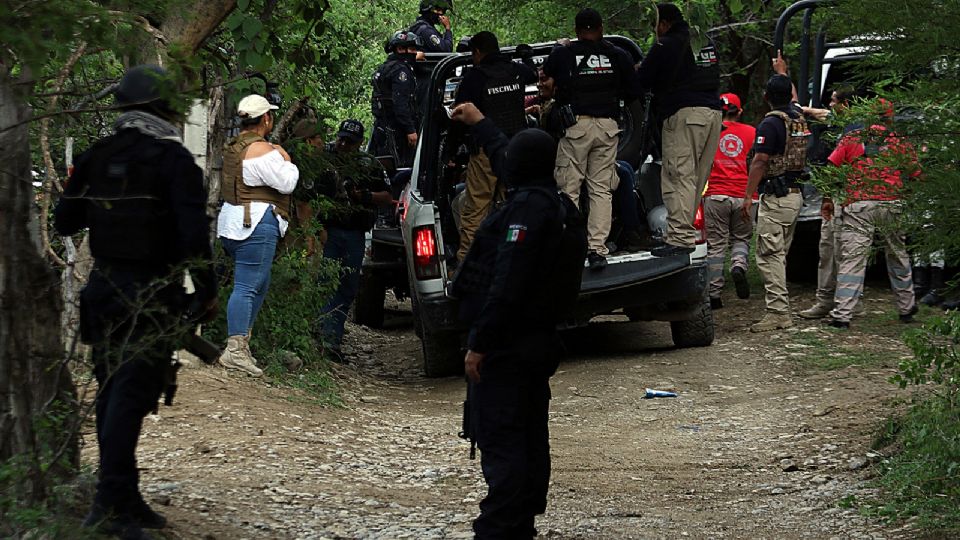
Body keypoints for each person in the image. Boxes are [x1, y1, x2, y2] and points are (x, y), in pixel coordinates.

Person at [55, 65, 217, 539]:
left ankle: (123, 496)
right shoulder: (174, 161)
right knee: (130, 394)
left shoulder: (96, 155)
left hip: (103, 291)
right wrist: (205, 292)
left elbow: (64, 223)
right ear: (166, 108)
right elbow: (192, 235)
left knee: (115, 391)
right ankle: (110, 505)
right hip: (151, 293)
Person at [450, 101, 587, 540]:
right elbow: (511, 156)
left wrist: (481, 342)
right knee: (526, 435)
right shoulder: (555, 202)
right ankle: (517, 523)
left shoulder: (528, 213)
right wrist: (482, 124)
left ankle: (500, 528)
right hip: (535, 343)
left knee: (504, 439)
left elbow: (508, 282)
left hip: (509, 346)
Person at [543, 7, 642, 269]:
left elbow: (546, 73)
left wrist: (559, 46)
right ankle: (597, 249)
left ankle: (572, 249)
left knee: (569, 190)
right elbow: (634, 90)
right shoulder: (617, 54)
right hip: (609, 128)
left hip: (577, 127)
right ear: (600, 29)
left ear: (577, 31)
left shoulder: (565, 53)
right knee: (601, 190)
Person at [217, 94, 299, 376]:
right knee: (248, 286)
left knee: (257, 285)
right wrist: (286, 158)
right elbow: (287, 182)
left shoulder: (233, 146)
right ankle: (235, 350)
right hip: (255, 224)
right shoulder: (265, 151)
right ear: (266, 119)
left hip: (231, 222)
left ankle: (241, 346)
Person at [636, 3, 723, 258]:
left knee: (678, 176)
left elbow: (641, 82)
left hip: (684, 116)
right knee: (696, 177)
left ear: (663, 23)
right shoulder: (704, 42)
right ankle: (685, 232)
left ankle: (680, 238)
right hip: (713, 115)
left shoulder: (665, 45)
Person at [824, 99, 919, 328]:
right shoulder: (898, 141)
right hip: (892, 203)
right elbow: (916, 173)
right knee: (897, 254)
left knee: (853, 259)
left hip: (859, 205)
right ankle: (906, 308)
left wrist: (827, 199)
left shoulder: (852, 137)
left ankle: (842, 315)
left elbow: (831, 169)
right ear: (889, 116)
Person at [303, 120, 393, 362]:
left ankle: (332, 340)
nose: (343, 144)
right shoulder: (324, 157)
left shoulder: (369, 164)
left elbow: (386, 195)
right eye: (341, 139)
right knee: (324, 283)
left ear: (359, 143)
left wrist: (363, 195)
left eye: (349, 141)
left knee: (347, 286)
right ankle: (323, 340)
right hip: (328, 231)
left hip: (354, 233)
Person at [453, 31, 537, 261]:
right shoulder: (516, 71)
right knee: (511, 207)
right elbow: (532, 74)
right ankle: (514, 258)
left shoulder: (475, 77)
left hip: (485, 153)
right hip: (515, 153)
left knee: (477, 208)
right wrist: (526, 57)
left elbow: (459, 116)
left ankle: (467, 262)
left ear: (478, 52)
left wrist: (452, 151)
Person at [740, 74, 809, 332]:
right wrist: (783, 70)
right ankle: (779, 310)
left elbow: (759, 161)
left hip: (776, 198)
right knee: (779, 255)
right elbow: (796, 100)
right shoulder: (798, 117)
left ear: (766, 97)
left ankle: (778, 312)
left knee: (770, 256)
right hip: (794, 196)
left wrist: (748, 195)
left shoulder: (770, 124)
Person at [799, 87, 860, 319]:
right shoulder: (847, 123)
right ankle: (828, 300)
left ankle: (842, 301)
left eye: (834, 101)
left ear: (845, 104)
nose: (830, 105)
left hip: (845, 196)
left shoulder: (856, 128)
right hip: (840, 195)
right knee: (828, 249)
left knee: (842, 250)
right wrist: (804, 109)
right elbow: (823, 114)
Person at [703, 92, 756, 309]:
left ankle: (714, 294)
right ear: (740, 111)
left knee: (715, 245)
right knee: (741, 239)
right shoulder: (753, 132)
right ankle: (739, 265)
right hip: (744, 196)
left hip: (716, 195)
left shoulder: (710, 131)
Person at [370, 30, 422, 169]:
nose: (414, 52)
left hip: (383, 126)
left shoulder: (385, 67)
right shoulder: (401, 71)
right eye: (411, 48)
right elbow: (400, 103)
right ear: (400, 49)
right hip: (396, 130)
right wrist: (410, 130)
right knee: (400, 167)